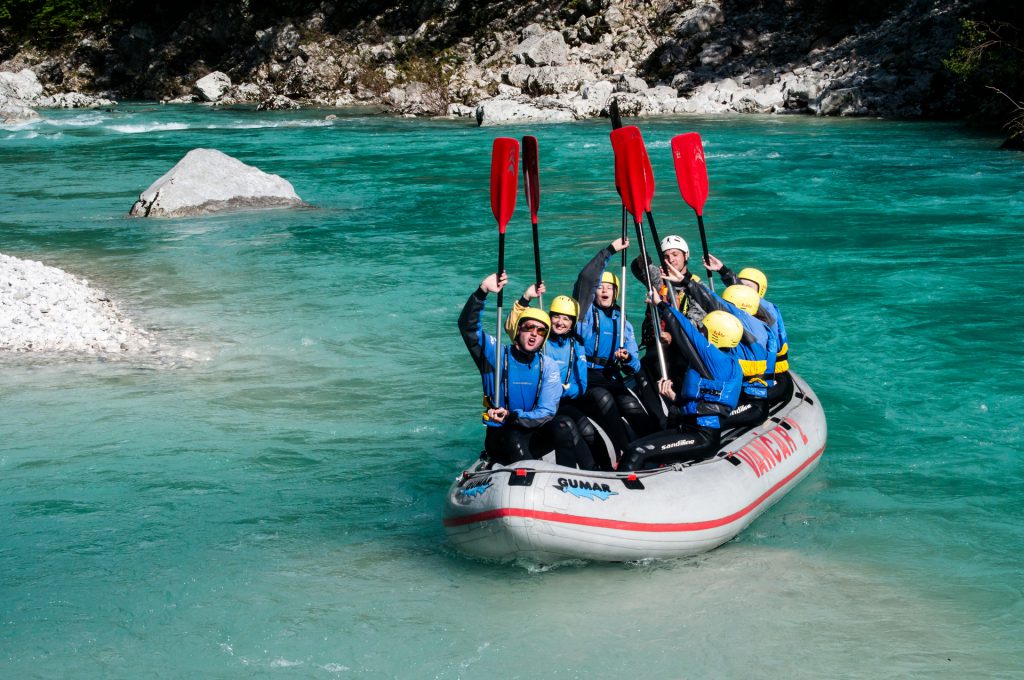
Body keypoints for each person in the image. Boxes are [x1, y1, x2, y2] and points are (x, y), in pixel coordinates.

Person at [458, 272, 594, 470]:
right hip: (501, 436)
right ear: (518, 330)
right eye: (529, 327)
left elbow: (546, 412)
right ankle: (526, 475)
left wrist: (513, 415)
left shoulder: (548, 366)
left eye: (540, 331)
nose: (533, 334)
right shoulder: (495, 355)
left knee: (564, 424)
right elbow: (468, 327)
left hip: (531, 431)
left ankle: (573, 479)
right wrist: (483, 291)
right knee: (513, 436)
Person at [504, 285, 623, 470]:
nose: (560, 322)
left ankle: (605, 469)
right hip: (539, 404)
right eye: (556, 317)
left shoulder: (577, 345)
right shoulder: (537, 340)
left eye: (566, 319)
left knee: (587, 430)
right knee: (568, 427)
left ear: (572, 323)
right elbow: (512, 326)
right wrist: (526, 297)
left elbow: (582, 385)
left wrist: (566, 389)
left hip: (563, 401)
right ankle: (571, 471)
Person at [618, 299, 744, 471]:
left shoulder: (717, 360)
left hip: (702, 436)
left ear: (716, 335)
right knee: (633, 447)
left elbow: (685, 331)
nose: (700, 331)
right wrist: (675, 397)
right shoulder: (720, 361)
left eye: (703, 329)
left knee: (637, 452)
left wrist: (662, 304)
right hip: (688, 428)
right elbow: (704, 402)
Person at [573, 238, 661, 440]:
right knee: (604, 399)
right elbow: (586, 278)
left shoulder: (623, 322)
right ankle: (624, 449)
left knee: (628, 403)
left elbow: (635, 365)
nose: (604, 290)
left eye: (609, 288)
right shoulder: (583, 313)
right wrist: (610, 250)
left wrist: (628, 358)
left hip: (610, 375)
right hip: (585, 377)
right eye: (600, 287)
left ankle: (658, 443)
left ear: (616, 293)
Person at [704, 256, 792, 403]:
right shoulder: (745, 315)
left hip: (773, 376)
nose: (743, 290)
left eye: (748, 287)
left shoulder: (767, 311)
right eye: (741, 286)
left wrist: (723, 271)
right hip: (750, 377)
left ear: (760, 291)